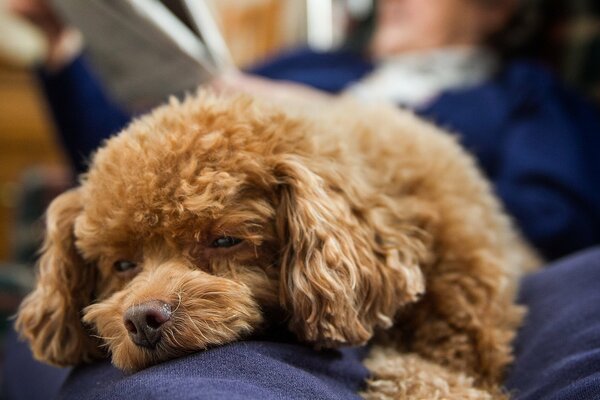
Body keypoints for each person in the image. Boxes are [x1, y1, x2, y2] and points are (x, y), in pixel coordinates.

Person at [3, 1, 600, 399]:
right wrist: (62, 47)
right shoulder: (313, 64)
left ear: (498, 10)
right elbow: (118, 180)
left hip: (412, 280)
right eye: (127, 268)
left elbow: (550, 213)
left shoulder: (522, 94)